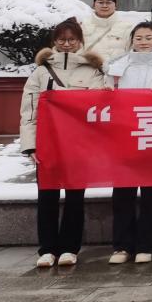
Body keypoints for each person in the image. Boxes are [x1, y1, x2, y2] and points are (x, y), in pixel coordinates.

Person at [19, 18, 106, 268]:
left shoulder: (93, 71)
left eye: (72, 40)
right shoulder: (40, 72)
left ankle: (70, 248)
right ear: (54, 42)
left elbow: (96, 105)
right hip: (47, 143)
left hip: (78, 144)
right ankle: (47, 249)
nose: (67, 44)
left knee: (75, 197)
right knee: (47, 195)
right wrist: (30, 145)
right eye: (61, 40)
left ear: (80, 41)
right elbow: (29, 110)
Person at [105, 22, 152, 265]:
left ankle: (145, 244)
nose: (143, 42)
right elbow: (107, 95)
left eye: (148, 37)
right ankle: (121, 245)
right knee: (122, 193)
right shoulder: (117, 65)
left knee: (151, 194)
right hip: (124, 134)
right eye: (138, 37)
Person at [81, 0, 132, 65]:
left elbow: (131, 54)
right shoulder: (83, 26)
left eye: (108, 2)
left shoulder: (127, 27)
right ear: (94, 5)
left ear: (116, 5)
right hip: (89, 70)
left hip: (116, 71)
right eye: (100, 2)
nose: (104, 6)